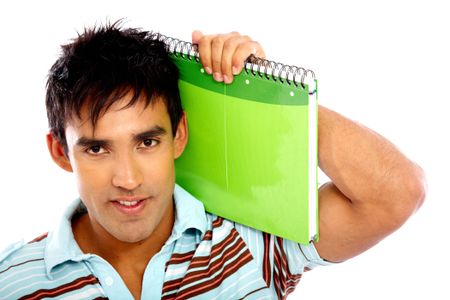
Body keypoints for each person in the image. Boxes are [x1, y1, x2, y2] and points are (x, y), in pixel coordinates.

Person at [0, 22, 426, 299]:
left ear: (179, 135)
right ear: (60, 152)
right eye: (97, 148)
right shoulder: (11, 281)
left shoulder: (248, 240)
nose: (127, 179)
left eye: (147, 142)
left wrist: (270, 98)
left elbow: (396, 192)